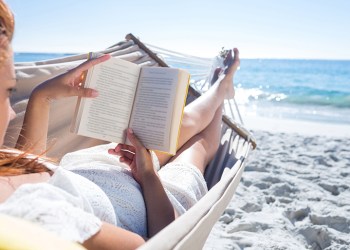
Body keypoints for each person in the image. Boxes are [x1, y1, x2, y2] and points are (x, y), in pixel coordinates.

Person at [0, 1, 240, 249]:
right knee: (198, 148)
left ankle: (219, 88)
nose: (11, 111)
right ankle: (221, 90)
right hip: (154, 201)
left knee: (180, 125)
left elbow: (25, 170)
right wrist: (148, 176)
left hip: (98, 167)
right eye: (9, 91)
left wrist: (42, 97)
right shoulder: (34, 216)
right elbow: (165, 241)